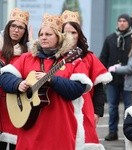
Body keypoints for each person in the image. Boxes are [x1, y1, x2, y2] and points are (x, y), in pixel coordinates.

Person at [0, 13, 96, 150]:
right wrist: (17, 84)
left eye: (48, 34)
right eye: (41, 34)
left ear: (59, 36)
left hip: (59, 128)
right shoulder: (28, 57)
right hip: (29, 126)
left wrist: (52, 80)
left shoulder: (73, 60)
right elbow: (4, 76)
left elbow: (77, 89)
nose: (43, 37)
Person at [61, 10, 112, 147]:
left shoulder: (89, 57)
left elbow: (99, 87)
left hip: (85, 109)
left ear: (79, 35)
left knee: (85, 142)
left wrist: (98, 112)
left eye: (74, 32)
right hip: (60, 109)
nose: (70, 36)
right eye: (66, 32)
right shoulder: (54, 57)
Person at [99, 13, 132, 141]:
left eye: (124, 21)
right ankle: (112, 132)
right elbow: (103, 58)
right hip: (112, 80)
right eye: (120, 21)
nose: (122, 23)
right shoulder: (110, 38)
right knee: (112, 107)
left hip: (127, 79)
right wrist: (104, 73)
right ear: (117, 23)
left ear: (128, 23)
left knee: (128, 108)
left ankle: (129, 133)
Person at [0, 8, 30, 150]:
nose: (16, 30)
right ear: (8, 27)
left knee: (15, 142)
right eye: (13, 25)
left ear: (25, 31)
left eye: (20, 27)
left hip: (17, 101)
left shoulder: (28, 52)